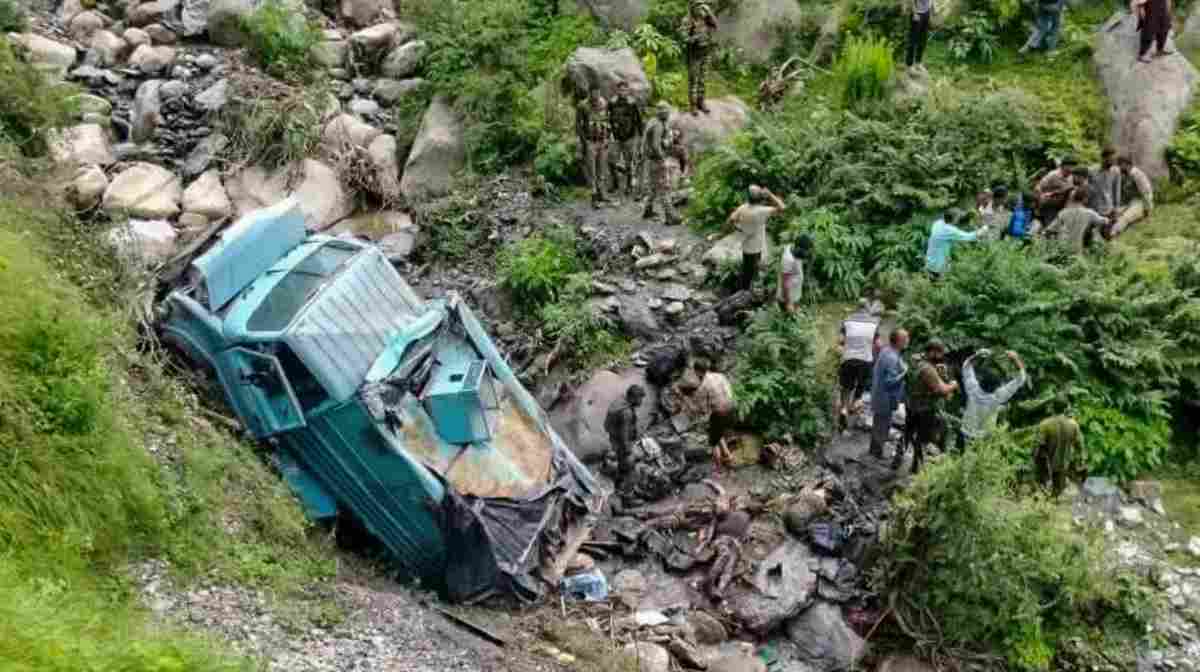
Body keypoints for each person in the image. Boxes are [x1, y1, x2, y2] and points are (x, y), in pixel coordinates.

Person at [898, 339, 958, 473]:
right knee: (922, 438)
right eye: (940, 353)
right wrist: (953, 384)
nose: (941, 356)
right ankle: (916, 467)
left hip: (911, 404)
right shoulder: (928, 369)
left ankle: (899, 458)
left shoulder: (915, 360)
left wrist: (939, 373)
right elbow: (941, 390)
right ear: (933, 352)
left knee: (908, 432)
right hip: (924, 409)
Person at [725, 185, 786, 291]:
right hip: (756, 247)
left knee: (747, 269)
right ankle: (744, 293)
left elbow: (730, 220)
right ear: (760, 198)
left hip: (746, 245)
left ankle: (743, 290)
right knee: (751, 272)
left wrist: (737, 228)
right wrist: (770, 194)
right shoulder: (762, 211)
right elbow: (782, 207)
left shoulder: (742, 208)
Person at [960, 349, 1027, 444]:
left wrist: (978, 354)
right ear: (997, 387)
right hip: (985, 437)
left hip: (966, 432)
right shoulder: (998, 396)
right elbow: (1021, 378)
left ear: (980, 380)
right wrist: (1015, 359)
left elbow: (966, 366)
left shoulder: (972, 388)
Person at [837, 299, 882, 431]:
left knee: (846, 387)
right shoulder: (875, 323)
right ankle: (855, 406)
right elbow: (879, 345)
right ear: (868, 309)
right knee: (861, 387)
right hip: (865, 361)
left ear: (856, 308)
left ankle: (844, 410)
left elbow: (840, 341)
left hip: (848, 359)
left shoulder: (846, 320)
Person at [870, 329, 910, 459]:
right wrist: (905, 374)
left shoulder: (888, 350)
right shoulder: (891, 357)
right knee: (882, 425)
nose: (908, 340)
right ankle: (876, 454)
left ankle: (874, 450)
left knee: (880, 424)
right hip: (884, 397)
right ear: (898, 341)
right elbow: (890, 382)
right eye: (905, 338)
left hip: (880, 394)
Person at [642, 103, 681, 225]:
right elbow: (655, 145)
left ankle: (647, 211)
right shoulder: (658, 125)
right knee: (664, 188)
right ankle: (670, 216)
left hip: (650, 160)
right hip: (656, 160)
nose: (669, 114)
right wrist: (662, 159)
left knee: (653, 187)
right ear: (662, 113)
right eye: (667, 112)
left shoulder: (653, 121)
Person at [604, 385, 645, 499]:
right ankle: (625, 495)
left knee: (623, 462)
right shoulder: (626, 413)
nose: (641, 401)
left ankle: (619, 473)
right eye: (640, 398)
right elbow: (624, 435)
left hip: (614, 437)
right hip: (620, 442)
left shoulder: (621, 400)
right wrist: (627, 451)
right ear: (633, 397)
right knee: (630, 469)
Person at [695, 359, 736, 470]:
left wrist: (702, 413)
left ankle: (718, 467)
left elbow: (703, 409)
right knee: (718, 433)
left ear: (698, 372)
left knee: (713, 443)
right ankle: (728, 457)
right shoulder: (720, 376)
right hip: (732, 410)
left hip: (720, 414)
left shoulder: (703, 385)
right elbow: (729, 392)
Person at [1043, 185, 1107, 254]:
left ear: (1073, 198)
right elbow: (1104, 221)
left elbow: (1050, 230)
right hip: (1077, 248)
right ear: (1085, 199)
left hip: (1062, 246)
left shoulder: (1064, 212)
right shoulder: (1089, 213)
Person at [1035, 411, 1086, 497]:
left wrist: (1036, 459)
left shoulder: (1045, 424)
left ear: (1053, 407)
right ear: (1065, 408)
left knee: (1050, 488)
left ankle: (1049, 492)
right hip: (1065, 464)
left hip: (1049, 463)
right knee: (1060, 488)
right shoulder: (1073, 424)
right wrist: (1082, 459)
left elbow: (1039, 445)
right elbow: (1080, 445)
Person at [607, 81, 644, 200]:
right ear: (617, 90)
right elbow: (607, 119)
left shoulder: (632, 103)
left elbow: (638, 120)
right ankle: (615, 183)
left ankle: (628, 185)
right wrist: (608, 134)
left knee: (629, 163)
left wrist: (641, 137)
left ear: (628, 91)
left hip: (630, 137)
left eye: (625, 90)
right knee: (611, 160)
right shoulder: (612, 103)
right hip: (616, 137)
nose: (622, 92)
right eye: (620, 90)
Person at [576, 86, 611, 208]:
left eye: (598, 92)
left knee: (602, 169)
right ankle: (594, 196)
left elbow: (608, 120)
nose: (595, 95)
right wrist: (583, 142)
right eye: (593, 93)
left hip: (602, 140)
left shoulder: (604, 103)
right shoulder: (583, 106)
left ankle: (602, 193)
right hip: (590, 141)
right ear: (589, 93)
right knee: (592, 170)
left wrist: (608, 138)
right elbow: (578, 125)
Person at [681, 0, 718, 114]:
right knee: (694, 80)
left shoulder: (706, 17)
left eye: (702, 5)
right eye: (698, 5)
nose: (701, 8)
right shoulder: (688, 20)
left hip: (705, 52)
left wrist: (709, 12)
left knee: (703, 79)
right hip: (694, 55)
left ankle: (701, 102)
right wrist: (693, 39)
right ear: (692, 6)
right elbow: (683, 37)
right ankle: (693, 105)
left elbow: (715, 25)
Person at [925, 209, 983, 279]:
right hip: (938, 268)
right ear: (954, 219)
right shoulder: (949, 230)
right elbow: (970, 237)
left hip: (930, 262)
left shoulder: (937, 223)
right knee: (939, 286)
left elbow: (956, 225)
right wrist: (984, 229)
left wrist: (966, 216)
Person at [1108, 155, 1155, 237]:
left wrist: (1147, 211)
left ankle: (1112, 235)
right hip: (1130, 202)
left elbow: (1146, 193)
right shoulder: (1125, 175)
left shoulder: (1137, 175)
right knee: (1114, 214)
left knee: (1125, 218)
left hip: (1140, 202)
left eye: (1119, 165)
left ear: (1125, 164)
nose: (1118, 167)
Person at [1035, 157, 1077, 229]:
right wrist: (1041, 198)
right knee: (1049, 227)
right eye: (1070, 166)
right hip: (1049, 205)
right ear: (1064, 166)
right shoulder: (1053, 175)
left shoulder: (1071, 177)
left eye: (1073, 166)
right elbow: (1038, 187)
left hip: (1062, 207)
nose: (1072, 168)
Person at [777, 236, 810, 313]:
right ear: (798, 248)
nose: (806, 253)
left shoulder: (792, 248)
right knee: (787, 317)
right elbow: (785, 283)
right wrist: (788, 303)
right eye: (805, 251)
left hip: (795, 293)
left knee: (795, 314)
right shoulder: (787, 259)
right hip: (787, 296)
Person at [1088, 146, 1120, 219]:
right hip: (1094, 208)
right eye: (1111, 159)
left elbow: (1117, 191)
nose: (1113, 161)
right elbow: (1087, 189)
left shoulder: (1116, 171)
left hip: (1109, 208)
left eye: (1114, 159)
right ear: (1104, 158)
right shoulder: (1091, 170)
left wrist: (1116, 208)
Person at [905, 0, 933, 71]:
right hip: (917, 13)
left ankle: (918, 62)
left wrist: (931, 10)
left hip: (926, 13)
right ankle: (909, 65)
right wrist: (914, 13)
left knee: (923, 39)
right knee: (913, 40)